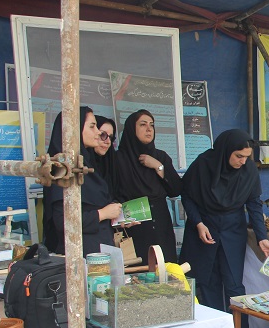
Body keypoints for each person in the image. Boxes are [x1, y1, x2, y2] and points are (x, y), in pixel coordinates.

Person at [180, 129, 269, 313]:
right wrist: (198, 223)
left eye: (246, 157)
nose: (243, 161)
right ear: (226, 150)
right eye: (239, 156)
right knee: (208, 284)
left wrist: (261, 237)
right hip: (204, 229)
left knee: (234, 286)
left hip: (232, 230)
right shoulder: (203, 165)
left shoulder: (248, 170)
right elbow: (187, 196)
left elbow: (254, 204)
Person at [42, 107, 122, 256]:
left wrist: (117, 216)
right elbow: (63, 222)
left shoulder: (86, 164)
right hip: (81, 257)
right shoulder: (62, 170)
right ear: (75, 129)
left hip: (99, 252)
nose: (98, 132)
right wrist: (102, 214)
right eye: (92, 126)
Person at [115, 109, 183, 263]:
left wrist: (158, 167)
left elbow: (176, 189)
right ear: (131, 129)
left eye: (152, 125)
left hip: (161, 225)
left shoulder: (160, 157)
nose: (149, 129)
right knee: (138, 270)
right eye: (143, 124)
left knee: (165, 268)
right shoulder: (119, 159)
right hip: (134, 226)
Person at [93, 115, 117, 192]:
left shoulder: (110, 163)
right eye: (102, 135)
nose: (108, 141)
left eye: (111, 137)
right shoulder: (82, 163)